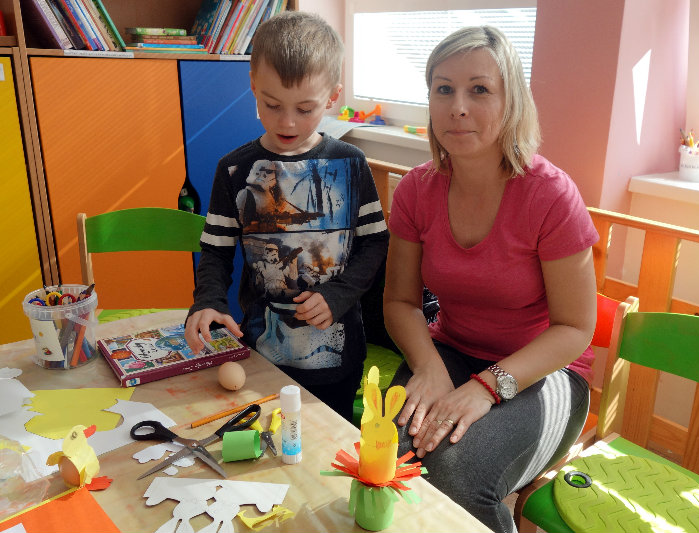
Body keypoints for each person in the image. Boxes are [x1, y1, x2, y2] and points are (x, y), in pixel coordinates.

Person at [383, 26, 598, 533]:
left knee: (456, 476)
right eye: (444, 89)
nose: (457, 107)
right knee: (387, 452)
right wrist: (430, 367)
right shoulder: (415, 190)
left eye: (479, 89)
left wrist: (486, 387)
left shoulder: (551, 196)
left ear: (511, 101)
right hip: (451, 353)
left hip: (546, 375)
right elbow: (399, 301)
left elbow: (575, 328)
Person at [186, 11, 389, 421]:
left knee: (327, 441)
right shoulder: (234, 170)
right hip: (263, 353)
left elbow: (375, 243)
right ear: (253, 86)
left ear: (332, 97)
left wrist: (338, 295)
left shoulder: (351, 163)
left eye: (305, 108)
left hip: (338, 359)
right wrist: (207, 301)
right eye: (272, 104)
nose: (288, 121)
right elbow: (216, 250)